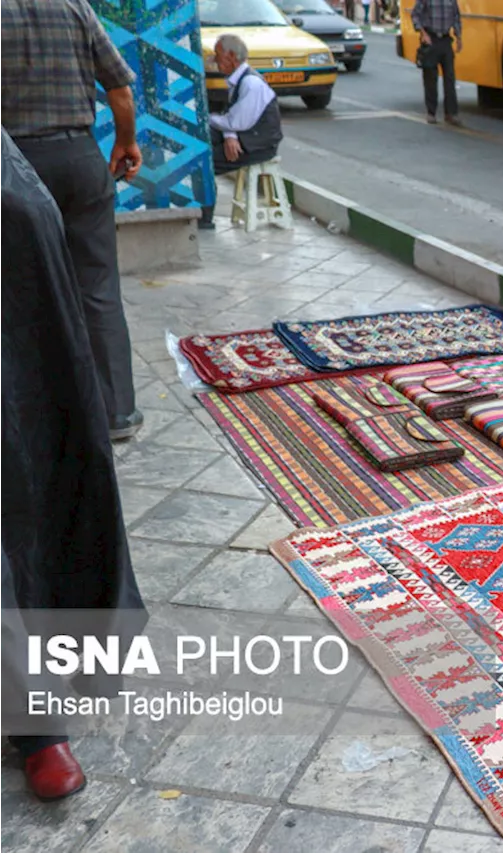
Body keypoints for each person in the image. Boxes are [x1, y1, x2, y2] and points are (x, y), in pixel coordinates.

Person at [0, 128, 146, 803]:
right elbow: (120, 94)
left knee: (40, 466)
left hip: (26, 215)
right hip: (70, 168)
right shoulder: (79, 14)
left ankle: (36, 720)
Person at [0, 0, 145, 441]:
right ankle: (116, 412)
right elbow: (120, 89)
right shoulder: (74, 6)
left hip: (13, 167)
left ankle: (35, 417)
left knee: (17, 289)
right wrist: (125, 142)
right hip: (79, 159)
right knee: (97, 285)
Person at [199, 34, 284, 230]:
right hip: (247, 137)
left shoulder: (250, 84)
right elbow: (234, 119)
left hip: (259, 145)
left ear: (230, 57)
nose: (216, 60)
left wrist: (209, 119)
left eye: (218, 55)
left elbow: (235, 121)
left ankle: (204, 218)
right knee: (202, 142)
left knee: (204, 163)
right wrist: (230, 135)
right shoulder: (239, 80)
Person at [412, 0, 463, 126]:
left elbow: (456, 16)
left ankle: (451, 114)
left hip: (446, 40)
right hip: (431, 39)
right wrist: (423, 34)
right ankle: (431, 113)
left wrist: (458, 37)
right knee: (430, 78)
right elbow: (415, 15)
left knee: (450, 78)